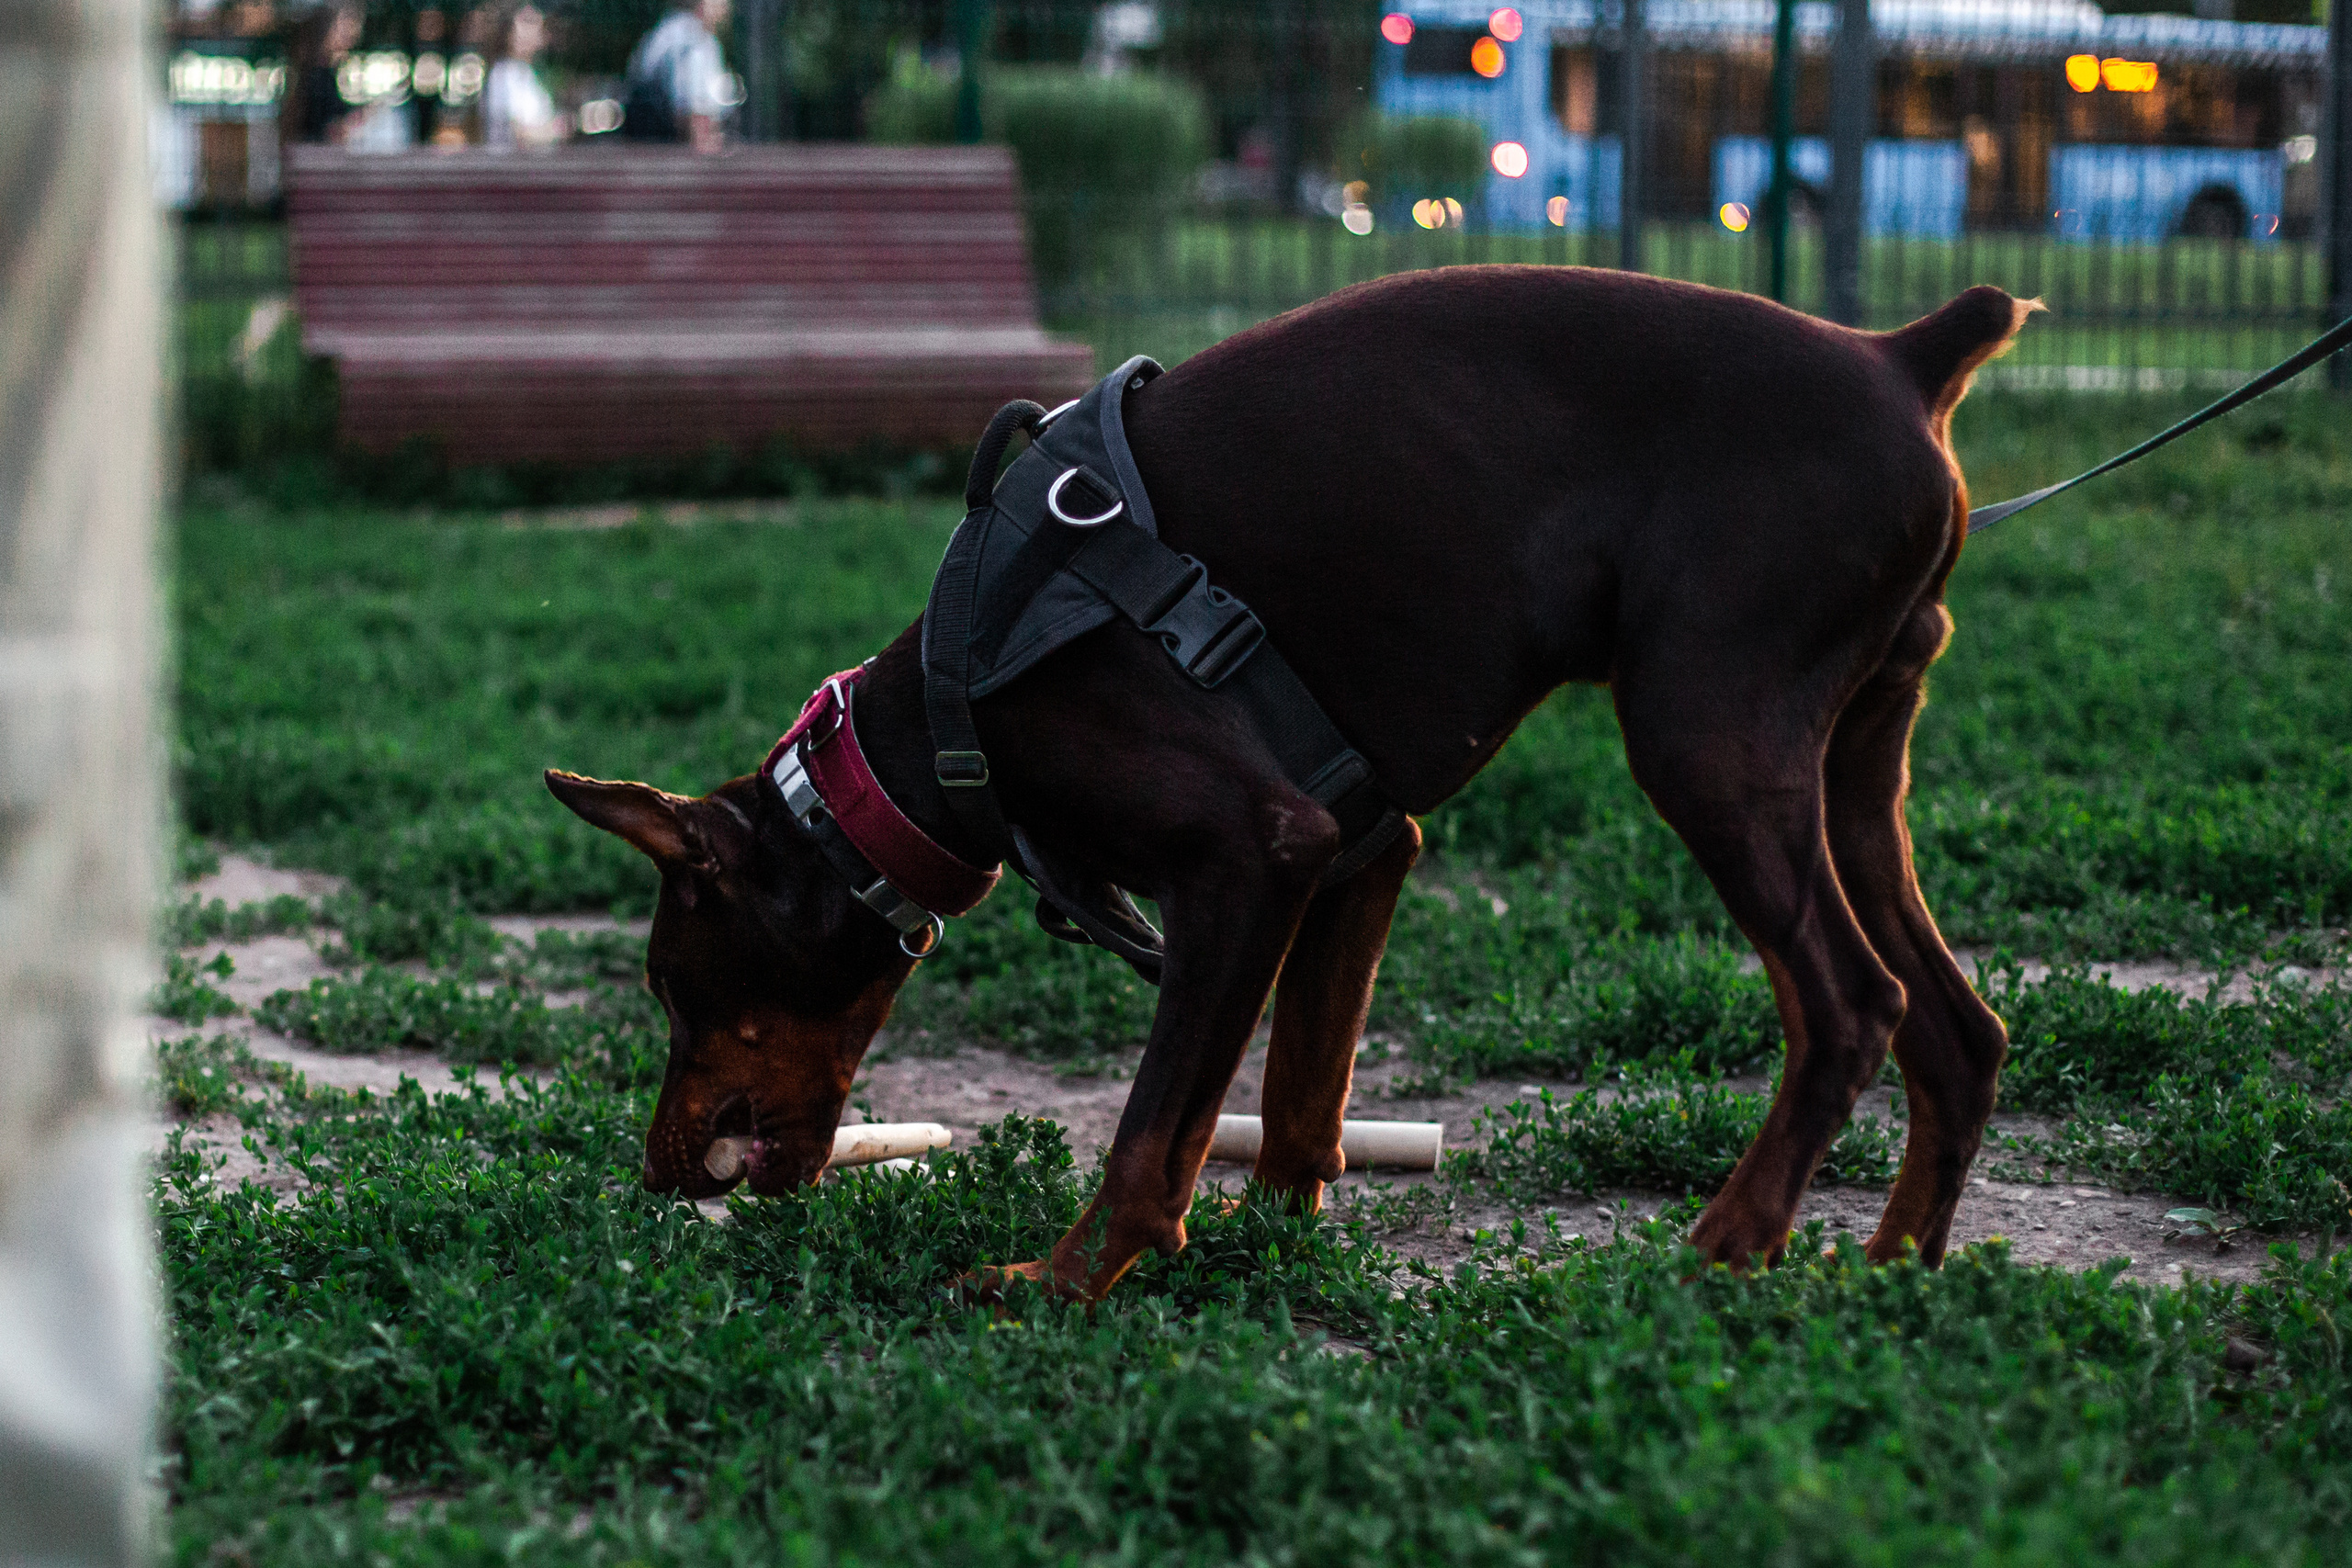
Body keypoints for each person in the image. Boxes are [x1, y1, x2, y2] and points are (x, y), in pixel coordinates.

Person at [621, 0, 732, 153]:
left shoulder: (701, 37)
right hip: (659, 135)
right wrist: (701, 142)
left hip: (661, 130)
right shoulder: (689, 36)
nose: (725, 8)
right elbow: (689, 103)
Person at [482, 4, 565, 148]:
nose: (534, 30)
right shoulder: (502, 75)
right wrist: (557, 130)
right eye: (527, 22)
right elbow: (519, 134)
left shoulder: (531, 74)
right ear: (509, 33)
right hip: (512, 168)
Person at [279, 2, 362, 145]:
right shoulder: (318, 77)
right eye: (343, 25)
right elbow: (328, 129)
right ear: (325, 30)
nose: (352, 31)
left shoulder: (305, 73)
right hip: (317, 159)